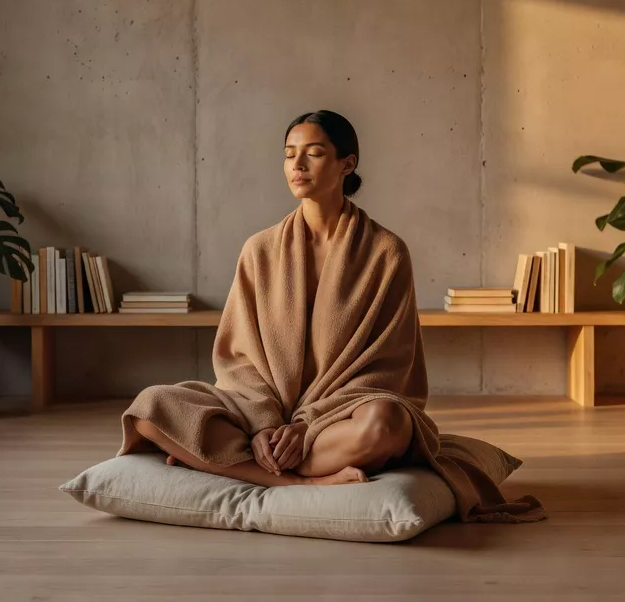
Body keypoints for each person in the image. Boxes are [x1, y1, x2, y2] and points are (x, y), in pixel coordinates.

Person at [119, 110, 543, 521]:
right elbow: (238, 357)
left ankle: (225, 462)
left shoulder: (386, 252)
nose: (297, 164)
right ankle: (299, 483)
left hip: (337, 419)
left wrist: (307, 427)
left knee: (386, 424)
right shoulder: (259, 249)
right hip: (257, 411)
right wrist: (265, 424)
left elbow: (388, 363)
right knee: (150, 408)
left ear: (347, 163)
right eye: (289, 153)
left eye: (314, 153)